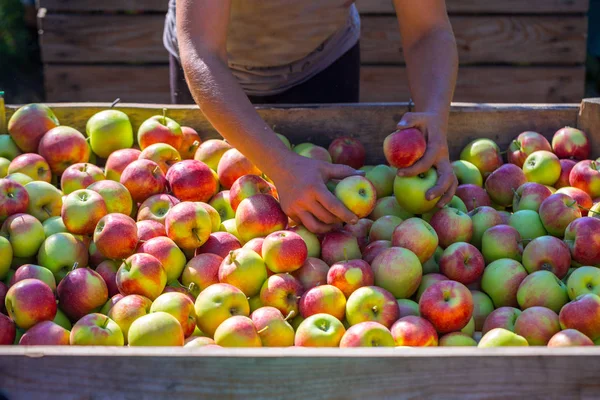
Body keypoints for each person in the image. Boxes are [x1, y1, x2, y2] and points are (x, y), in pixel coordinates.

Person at [163, 0, 458, 234]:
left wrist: (434, 114)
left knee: (325, 209)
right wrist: (280, 164)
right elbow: (202, 52)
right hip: (216, 77)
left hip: (322, 59)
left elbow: (428, 29)